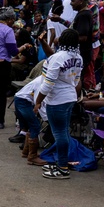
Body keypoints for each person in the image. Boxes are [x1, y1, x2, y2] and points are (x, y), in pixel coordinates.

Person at [35, 29, 83, 180]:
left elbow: (48, 84)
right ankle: (61, 163)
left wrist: (38, 101)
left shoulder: (57, 58)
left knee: (60, 134)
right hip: (69, 97)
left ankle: (62, 168)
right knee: (63, 132)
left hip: (57, 100)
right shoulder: (78, 58)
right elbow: (76, 81)